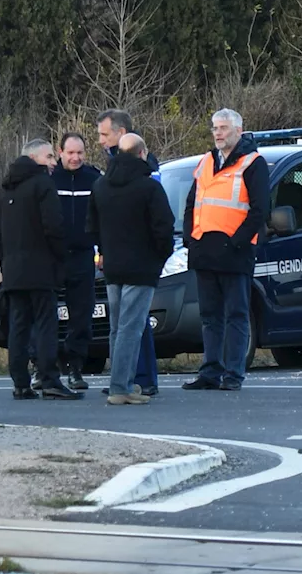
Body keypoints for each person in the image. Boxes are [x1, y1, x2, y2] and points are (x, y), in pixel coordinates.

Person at [181, 108, 270, 392]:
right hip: (205, 250)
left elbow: (259, 211)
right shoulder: (207, 161)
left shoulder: (253, 163)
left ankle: (233, 373)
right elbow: (192, 204)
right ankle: (210, 371)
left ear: (238, 131)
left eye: (223, 128)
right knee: (209, 316)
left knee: (236, 315)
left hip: (234, 252)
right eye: (215, 128)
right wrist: (189, 239)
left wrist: (237, 242)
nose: (217, 133)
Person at [86, 133, 175, 405]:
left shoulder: (100, 186)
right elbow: (164, 229)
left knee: (117, 328)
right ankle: (120, 387)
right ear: (141, 153)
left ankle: (120, 381)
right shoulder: (149, 188)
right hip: (141, 267)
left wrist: (105, 251)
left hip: (112, 266)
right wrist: (159, 258)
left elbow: (92, 228)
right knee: (131, 328)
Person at [0, 139, 81, 401]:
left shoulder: (5, 190)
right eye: (49, 156)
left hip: (14, 271)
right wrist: (59, 259)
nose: (54, 162)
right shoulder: (43, 185)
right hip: (41, 268)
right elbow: (53, 227)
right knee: (45, 324)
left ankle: (20, 382)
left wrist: (6, 264)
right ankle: (50, 379)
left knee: (19, 326)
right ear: (34, 158)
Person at [96, 109, 161, 396]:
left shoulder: (127, 176)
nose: (99, 141)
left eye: (104, 134)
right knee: (129, 326)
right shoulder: (123, 176)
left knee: (128, 325)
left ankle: (134, 378)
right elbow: (162, 224)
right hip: (134, 264)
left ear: (121, 134)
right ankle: (124, 382)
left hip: (117, 263)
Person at [49, 132, 102, 391]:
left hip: (83, 256)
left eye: (80, 153)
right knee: (46, 313)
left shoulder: (94, 178)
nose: (75, 158)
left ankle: (75, 368)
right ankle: (44, 367)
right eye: (70, 153)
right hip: (53, 256)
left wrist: (102, 249)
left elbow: (104, 217)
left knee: (82, 314)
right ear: (60, 152)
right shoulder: (49, 179)